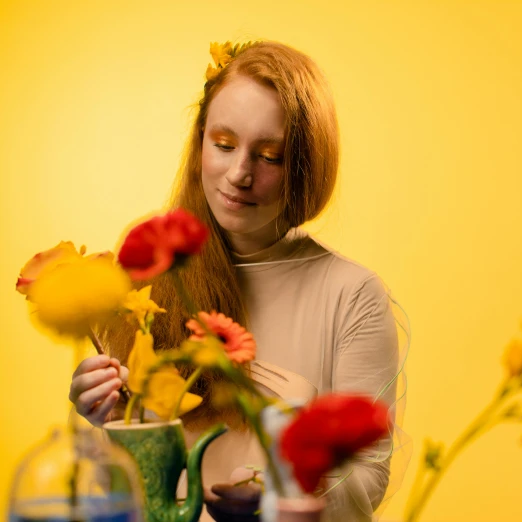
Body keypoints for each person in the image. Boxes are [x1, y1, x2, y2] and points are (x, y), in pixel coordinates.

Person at [68, 40, 410, 522]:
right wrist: (102, 423)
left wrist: (297, 429)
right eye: (224, 145)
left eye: (269, 156)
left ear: (304, 169)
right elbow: (123, 495)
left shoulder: (352, 295)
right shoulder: (148, 276)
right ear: (200, 140)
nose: (239, 174)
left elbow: (367, 485)